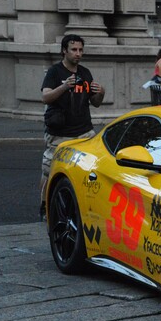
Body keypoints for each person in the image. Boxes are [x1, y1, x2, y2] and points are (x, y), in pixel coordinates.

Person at [40, 34, 105, 218]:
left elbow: (96, 103)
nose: (78, 54)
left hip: (84, 131)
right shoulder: (55, 72)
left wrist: (101, 93)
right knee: (49, 170)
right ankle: (45, 205)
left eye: (80, 50)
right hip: (59, 133)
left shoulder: (85, 73)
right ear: (64, 51)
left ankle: (82, 206)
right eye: (74, 50)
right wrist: (64, 87)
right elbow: (45, 97)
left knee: (91, 170)